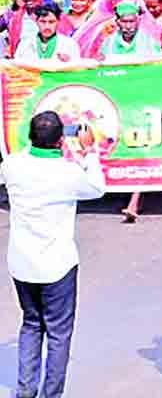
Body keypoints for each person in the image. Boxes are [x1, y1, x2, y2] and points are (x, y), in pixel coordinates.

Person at [3, 111, 106, 398]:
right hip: (57, 266)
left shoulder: (12, 165)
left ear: (31, 137)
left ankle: (25, 390)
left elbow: (26, 154)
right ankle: (51, 394)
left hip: (22, 263)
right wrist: (89, 152)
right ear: (61, 141)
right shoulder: (68, 172)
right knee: (59, 334)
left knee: (31, 324)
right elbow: (97, 188)